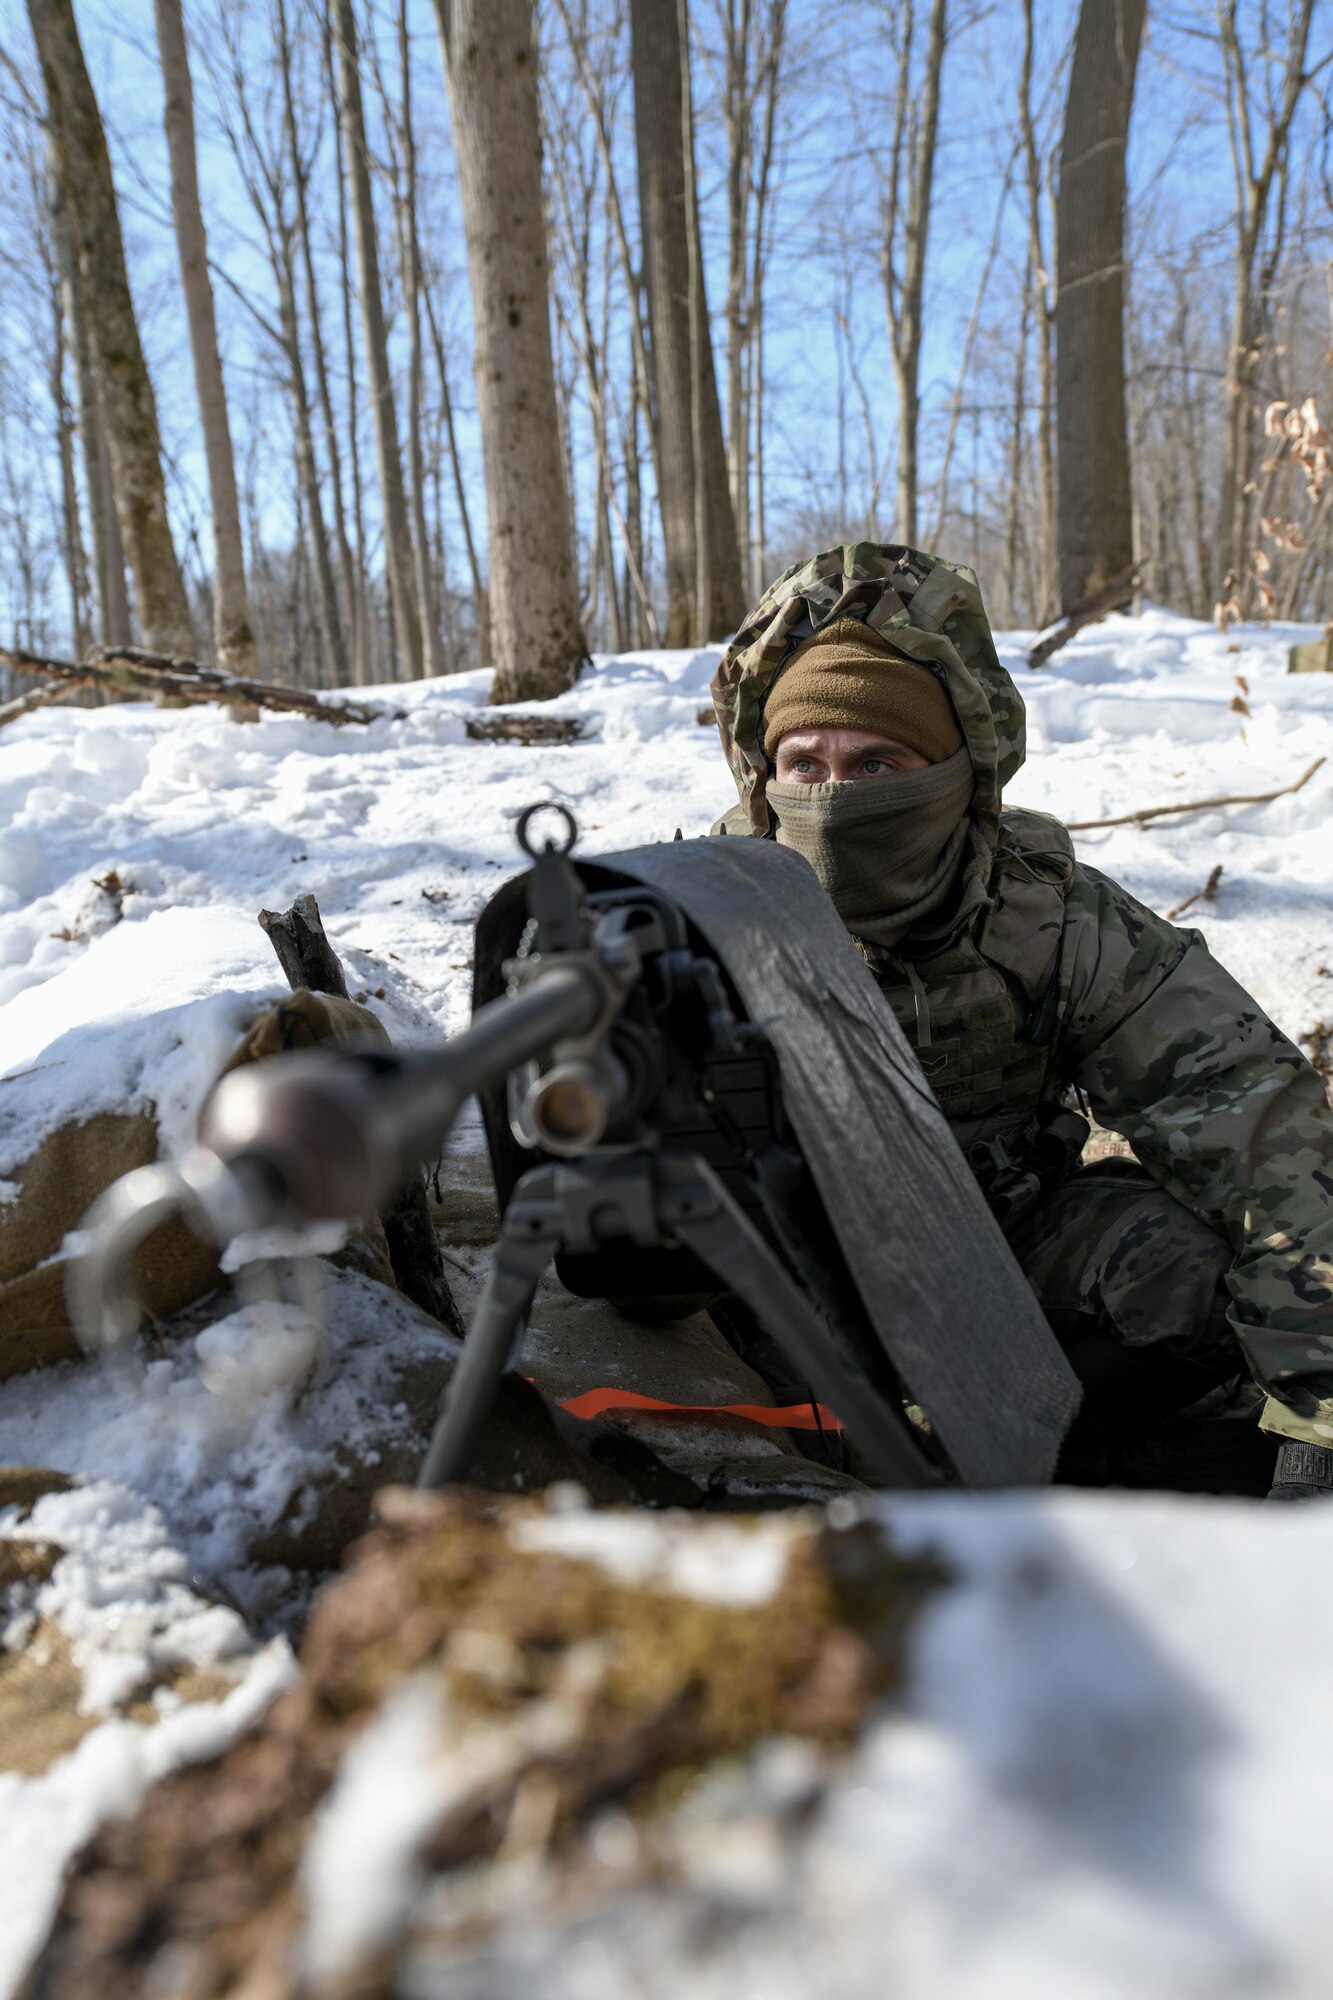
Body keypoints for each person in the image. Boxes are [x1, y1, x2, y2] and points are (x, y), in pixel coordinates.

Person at [709, 543, 1333, 1499]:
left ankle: (1085, 1491)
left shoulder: (1047, 917)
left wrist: (1319, 1418)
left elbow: (1261, 1129)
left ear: (957, 773)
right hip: (765, 1308)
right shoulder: (687, 924)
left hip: (995, 1271)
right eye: (805, 764)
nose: (835, 801)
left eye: (878, 762)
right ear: (763, 776)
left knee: (1184, 1270)